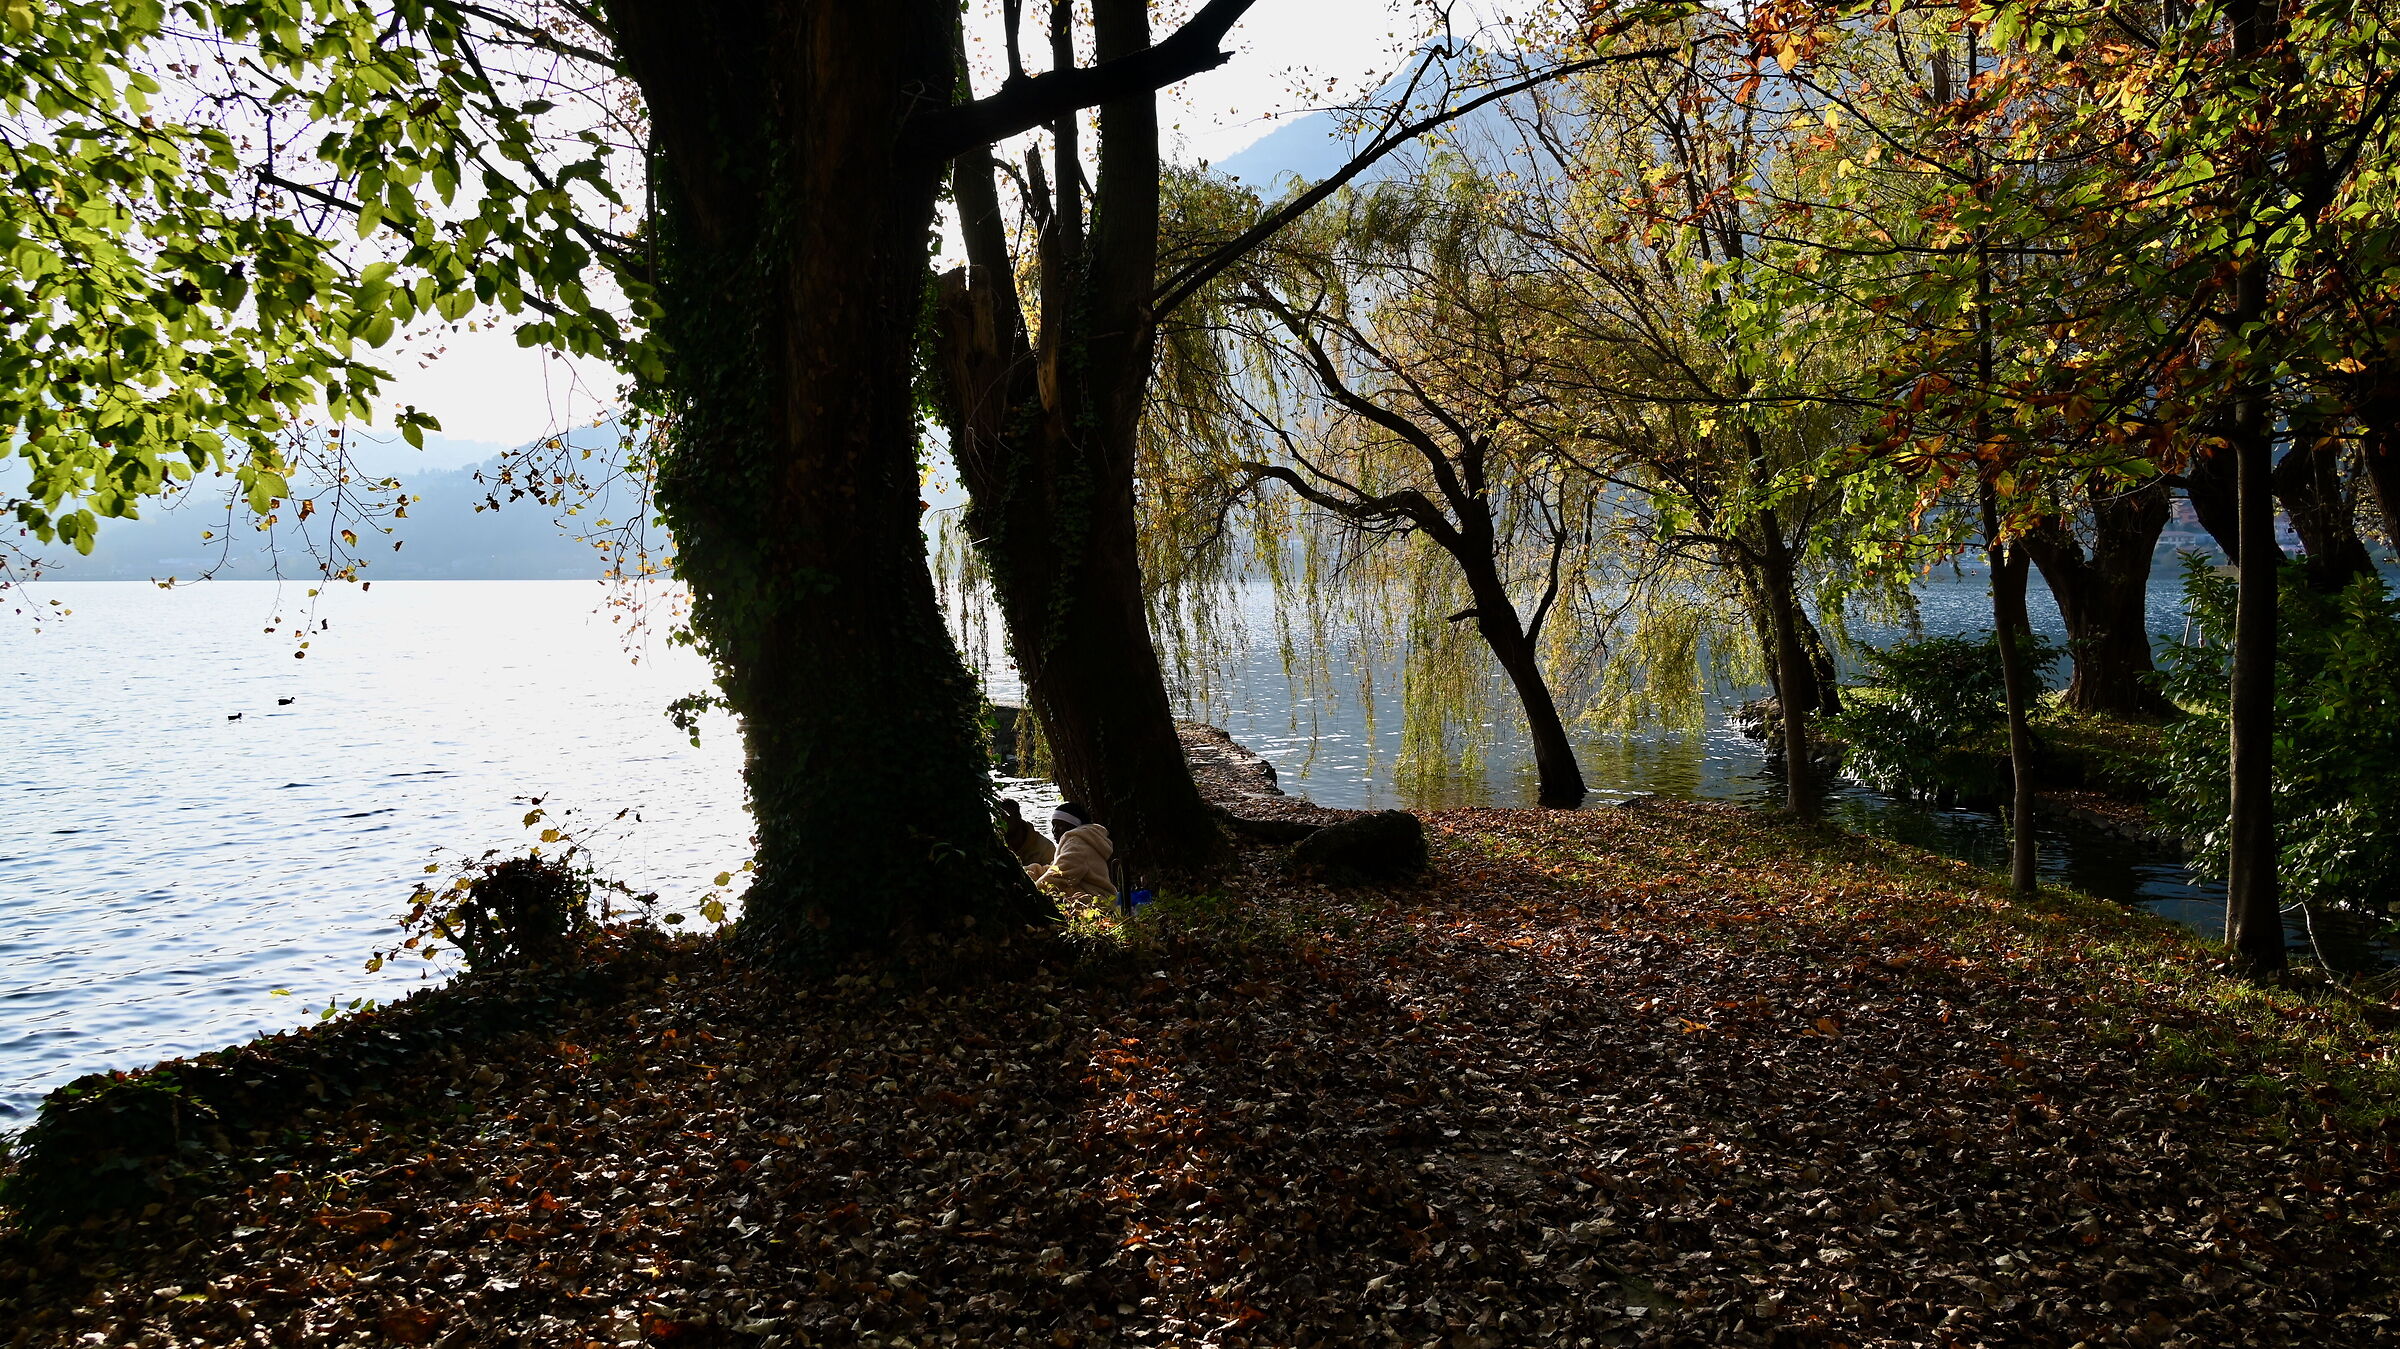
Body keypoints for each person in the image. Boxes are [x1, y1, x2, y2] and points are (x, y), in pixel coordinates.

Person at [1029, 801, 1115, 901]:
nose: (1054, 830)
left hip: (1098, 902)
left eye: (1060, 825)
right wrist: (1028, 872)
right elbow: (1054, 869)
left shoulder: (1077, 845)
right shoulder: (1079, 841)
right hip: (1096, 895)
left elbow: (1059, 875)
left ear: (1073, 826)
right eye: (1053, 825)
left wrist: (1034, 892)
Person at [999, 798, 1055, 868]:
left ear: (1018, 818)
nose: (1001, 824)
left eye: (1006, 819)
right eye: (999, 820)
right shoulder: (994, 845)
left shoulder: (1045, 848)